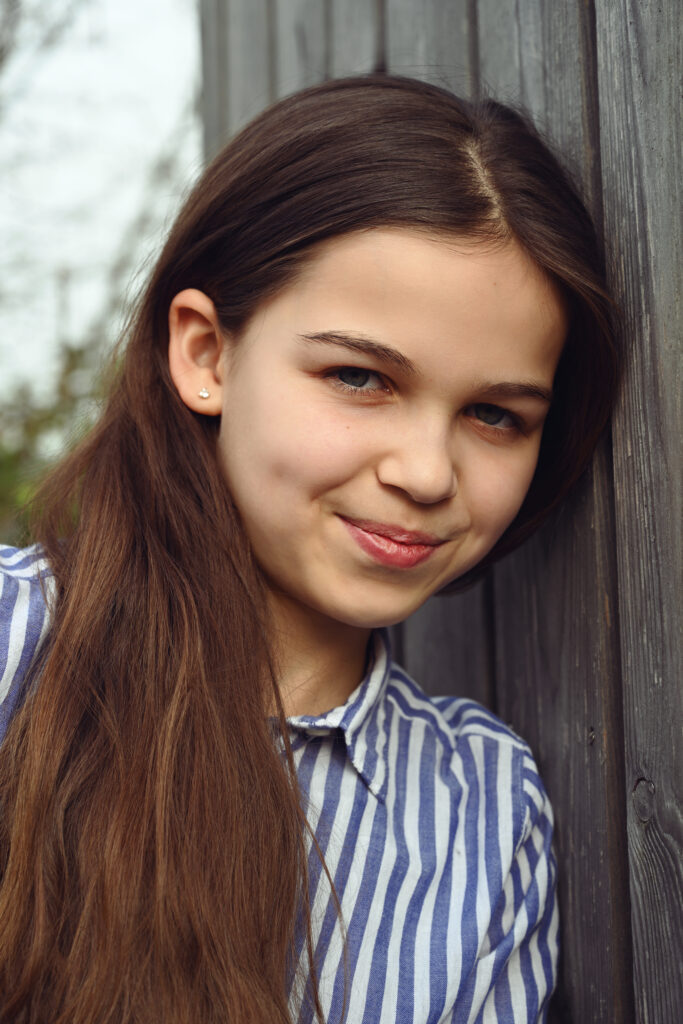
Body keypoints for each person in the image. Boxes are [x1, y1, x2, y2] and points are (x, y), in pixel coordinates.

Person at [0, 74, 618, 1024]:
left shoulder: (481, 815)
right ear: (206, 354)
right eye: (361, 377)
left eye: (495, 414)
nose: (424, 472)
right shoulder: (13, 644)